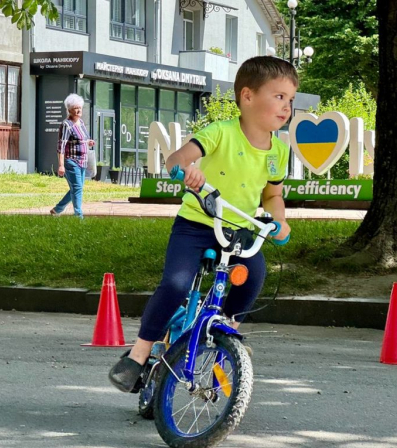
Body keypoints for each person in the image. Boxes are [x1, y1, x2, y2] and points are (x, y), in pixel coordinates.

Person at [109, 56, 297, 392]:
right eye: (279, 96)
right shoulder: (221, 132)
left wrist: (279, 220)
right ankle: (138, 355)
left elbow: (272, 195)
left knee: (253, 275)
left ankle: (228, 332)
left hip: (238, 230)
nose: (286, 107)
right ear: (248, 96)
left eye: (291, 100)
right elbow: (176, 159)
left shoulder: (279, 152)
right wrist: (188, 169)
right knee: (176, 284)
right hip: (197, 223)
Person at [50, 93, 95, 219]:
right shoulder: (66, 125)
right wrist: (61, 165)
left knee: (76, 188)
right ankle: (78, 216)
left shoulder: (81, 123)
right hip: (71, 161)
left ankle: (57, 209)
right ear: (69, 110)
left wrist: (89, 142)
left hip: (83, 161)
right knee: (77, 188)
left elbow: (82, 139)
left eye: (79, 107)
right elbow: (61, 145)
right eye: (75, 108)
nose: (78, 110)